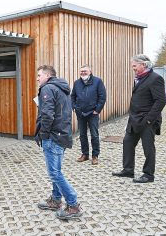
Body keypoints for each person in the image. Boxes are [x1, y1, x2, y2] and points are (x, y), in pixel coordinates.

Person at [35, 65, 82, 220]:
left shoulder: (48, 89)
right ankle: (56, 200)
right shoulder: (62, 88)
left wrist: (43, 134)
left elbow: (47, 115)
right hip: (62, 135)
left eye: (39, 75)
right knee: (57, 170)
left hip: (53, 137)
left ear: (48, 76)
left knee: (54, 173)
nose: (37, 78)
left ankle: (73, 204)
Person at [112, 54, 166, 183]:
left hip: (147, 121)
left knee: (148, 148)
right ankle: (128, 170)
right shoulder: (139, 78)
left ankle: (148, 175)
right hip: (134, 119)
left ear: (144, 64)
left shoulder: (155, 78)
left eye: (135, 65)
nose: (133, 68)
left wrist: (148, 119)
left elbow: (160, 101)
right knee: (127, 142)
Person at [71, 65, 106, 165]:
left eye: (85, 71)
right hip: (80, 113)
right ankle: (85, 154)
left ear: (90, 72)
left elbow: (102, 97)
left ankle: (95, 156)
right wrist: (74, 107)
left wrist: (97, 110)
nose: (83, 73)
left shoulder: (98, 81)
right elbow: (72, 97)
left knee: (94, 135)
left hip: (92, 113)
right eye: (81, 71)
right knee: (82, 135)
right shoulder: (77, 83)